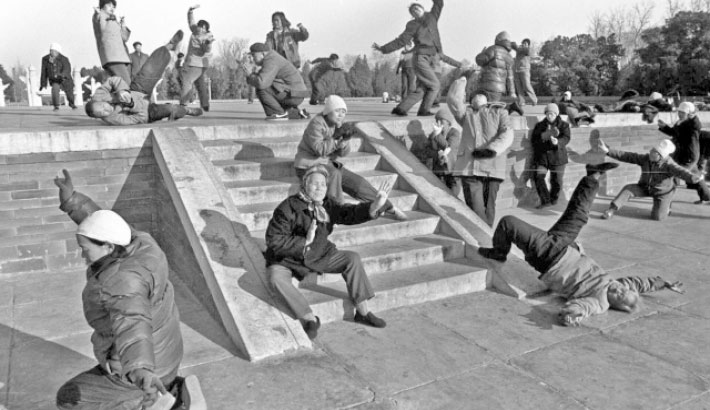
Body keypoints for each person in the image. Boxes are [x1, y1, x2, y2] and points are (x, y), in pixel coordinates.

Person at [53, 169, 206, 410]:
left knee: (70, 399)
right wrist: (72, 200)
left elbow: (132, 322)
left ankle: (163, 402)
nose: (82, 254)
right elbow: (103, 223)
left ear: (107, 246)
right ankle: (166, 391)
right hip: (165, 352)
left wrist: (140, 371)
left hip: (147, 367)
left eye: (85, 249)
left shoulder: (122, 281)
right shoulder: (139, 242)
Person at [478, 165, 685, 327]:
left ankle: (499, 253)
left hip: (550, 257)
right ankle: (593, 175)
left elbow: (583, 307)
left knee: (508, 223)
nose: (619, 288)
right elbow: (640, 283)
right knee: (579, 213)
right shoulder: (619, 286)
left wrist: (571, 314)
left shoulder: (599, 301)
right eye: (623, 289)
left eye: (619, 295)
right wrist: (663, 283)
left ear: (615, 304)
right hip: (567, 246)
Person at [265, 165, 388, 340]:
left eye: (323, 184)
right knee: (275, 278)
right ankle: (309, 318)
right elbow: (273, 239)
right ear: (304, 185)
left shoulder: (327, 205)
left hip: (319, 253)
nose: (320, 187)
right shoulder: (288, 207)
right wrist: (304, 242)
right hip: (287, 259)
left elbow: (349, 213)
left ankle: (362, 312)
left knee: (352, 258)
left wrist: (374, 206)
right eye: (315, 184)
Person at [294, 95, 408, 220]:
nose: (340, 115)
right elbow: (320, 149)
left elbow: (343, 154)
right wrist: (337, 140)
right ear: (328, 111)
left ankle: (388, 207)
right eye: (337, 111)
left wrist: (345, 140)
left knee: (358, 183)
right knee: (334, 174)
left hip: (328, 164)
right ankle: (335, 213)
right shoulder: (317, 123)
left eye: (343, 112)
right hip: (308, 165)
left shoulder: (338, 125)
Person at [85, 31, 204, 125]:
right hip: (147, 112)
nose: (106, 109)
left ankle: (169, 46)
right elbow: (136, 119)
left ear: (98, 101)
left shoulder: (99, 95)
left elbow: (113, 80)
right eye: (102, 113)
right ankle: (186, 110)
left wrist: (122, 90)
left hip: (136, 91)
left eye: (102, 106)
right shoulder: (113, 119)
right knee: (170, 109)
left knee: (150, 67)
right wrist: (132, 105)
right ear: (99, 117)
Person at [447, 76, 513, 226]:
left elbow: (508, 133)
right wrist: (462, 79)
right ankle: (485, 238)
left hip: (493, 167)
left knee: (489, 208)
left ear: (487, 100)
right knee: (476, 209)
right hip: (470, 169)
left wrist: (492, 150)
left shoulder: (499, 113)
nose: (477, 97)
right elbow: (453, 101)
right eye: (474, 96)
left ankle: (486, 238)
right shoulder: (466, 115)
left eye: (481, 95)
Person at [599, 139, 707, 221]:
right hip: (644, 187)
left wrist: (693, 177)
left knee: (658, 217)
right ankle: (611, 210)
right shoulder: (645, 159)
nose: (651, 153)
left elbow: (681, 172)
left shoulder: (669, 164)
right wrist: (608, 151)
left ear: (661, 156)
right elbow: (628, 156)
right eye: (652, 150)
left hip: (662, 192)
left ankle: (667, 205)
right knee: (628, 189)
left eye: (655, 152)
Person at [373, 0, 444, 117]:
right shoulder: (412, 25)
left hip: (433, 58)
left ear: (422, 8)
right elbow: (401, 41)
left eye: (417, 8)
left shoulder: (432, 17)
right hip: (421, 58)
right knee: (435, 85)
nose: (415, 11)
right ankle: (424, 110)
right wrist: (383, 49)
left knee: (423, 88)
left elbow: (439, 3)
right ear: (412, 15)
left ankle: (401, 108)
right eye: (413, 11)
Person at [657, 101, 710, 204]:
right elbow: (674, 133)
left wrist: (693, 116)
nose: (679, 114)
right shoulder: (680, 122)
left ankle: (665, 200)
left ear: (689, 113)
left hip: (689, 156)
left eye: (683, 112)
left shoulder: (692, 125)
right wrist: (664, 127)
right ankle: (706, 197)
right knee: (695, 176)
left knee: (674, 174)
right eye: (679, 111)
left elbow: (697, 125)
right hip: (683, 155)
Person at [246, 42, 310, 120]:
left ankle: (278, 113)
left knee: (262, 89)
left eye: (253, 55)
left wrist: (250, 75)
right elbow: (262, 79)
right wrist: (252, 74)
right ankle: (295, 113)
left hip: (293, 95)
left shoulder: (271, 60)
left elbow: (261, 83)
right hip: (296, 94)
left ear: (262, 54)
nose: (252, 59)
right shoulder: (271, 58)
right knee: (267, 85)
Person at [531, 103, 571, 208]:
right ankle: (545, 200)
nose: (550, 116)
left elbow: (566, 138)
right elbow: (534, 141)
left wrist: (557, 142)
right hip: (543, 158)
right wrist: (544, 136)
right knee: (538, 176)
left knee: (556, 181)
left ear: (556, 114)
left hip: (558, 158)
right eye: (548, 113)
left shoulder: (564, 125)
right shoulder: (539, 126)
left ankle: (553, 199)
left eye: (552, 114)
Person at [180, 4, 214, 112]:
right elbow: (191, 22)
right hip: (196, 63)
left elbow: (207, 49)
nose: (198, 29)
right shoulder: (195, 30)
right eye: (198, 27)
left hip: (197, 64)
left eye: (201, 28)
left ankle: (183, 104)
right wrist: (190, 11)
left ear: (205, 29)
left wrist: (207, 44)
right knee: (200, 83)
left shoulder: (207, 37)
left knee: (187, 80)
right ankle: (205, 104)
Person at [92, 0, 132, 85]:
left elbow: (124, 38)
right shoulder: (100, 16)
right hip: (112, 58)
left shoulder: (114, 20)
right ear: (102, 6)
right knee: (127, 84)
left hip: (122, 57)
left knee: (118, 87)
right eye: (109, 5)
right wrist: (97, 13)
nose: (112, 8)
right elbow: (97, 21)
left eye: (114, 6)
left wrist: (123, 25)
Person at [475, 31, 517, 108]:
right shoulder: (509, 57)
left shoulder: (492, 49)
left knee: (484, 109)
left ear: (498, 40)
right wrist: (512, 92)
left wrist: (481, 53)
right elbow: (510, 77)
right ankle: (511, 108)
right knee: (494, 109)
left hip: (487, 86)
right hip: (500, 89)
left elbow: (480, 60)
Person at [427, 107, 461, 195]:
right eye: (437, 121)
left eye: (441, 121)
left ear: (448, 122)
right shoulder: (433, 135)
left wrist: (438, 135)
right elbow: (429, 151)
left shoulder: (454, 133)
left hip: (453, 172)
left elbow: (448, 146)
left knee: (453, 196)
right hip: (439, 171)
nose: (438, 123)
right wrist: (438, 154)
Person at [40, 43, 77, 111]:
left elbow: (67, 69)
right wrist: (43, 83)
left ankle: (72, 104)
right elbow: (44, 72)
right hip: (55, 80)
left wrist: (61, 75)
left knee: (70, 95)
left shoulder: (64, 59)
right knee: (55, 89)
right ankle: (56, 106)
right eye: (50, 50)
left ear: (58, 52)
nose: (51, 52)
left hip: (65, 79)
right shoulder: (45, 59)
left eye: (53, 51)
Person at [511, 38, 538, 107]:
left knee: (526, 85)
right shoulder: (519, 49)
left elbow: (519, 48)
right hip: (516, 70)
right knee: (519, 87)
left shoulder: (527, 50)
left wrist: (514, 45)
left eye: (526, 43)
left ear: (528, 45)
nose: (524, 44)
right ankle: (522, 101)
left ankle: (534, 99)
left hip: (524, 70)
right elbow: (514, 47)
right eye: (523, 43)